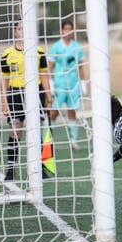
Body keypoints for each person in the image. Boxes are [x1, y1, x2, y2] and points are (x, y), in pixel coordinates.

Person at [1, 19, 53, 181]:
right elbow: (5, 80)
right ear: (15, 31)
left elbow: (44, 75)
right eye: (20, 29)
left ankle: (40, 168)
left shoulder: (38, 51)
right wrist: (4, 102)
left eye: (25, 28)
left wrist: (49, 98)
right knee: (16, 132)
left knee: (37, 131)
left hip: (36, 93)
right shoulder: (7, 54)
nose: (22, 31)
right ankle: (10, 170)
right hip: (15, 94)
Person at [47, 20, 86, 150]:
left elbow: (80, 66)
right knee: (53, 113)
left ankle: (73, 141)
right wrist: (50, 83)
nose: (68, 31)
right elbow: (50, 66)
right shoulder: (56, 47)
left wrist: (83, 82)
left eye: (71, 29)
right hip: (59, 85)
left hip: (73, 85)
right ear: (62, 30)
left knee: (72, 112)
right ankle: (47, 140)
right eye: (66, 29)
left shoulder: (77, 47)